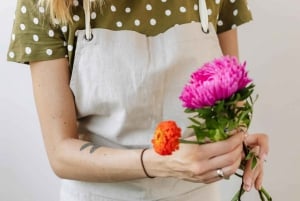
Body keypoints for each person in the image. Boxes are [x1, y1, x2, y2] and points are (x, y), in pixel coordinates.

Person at [7, 0, 269, 200]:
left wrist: (237, 140)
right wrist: (160, 164)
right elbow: (60, 154)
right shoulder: (46, 4)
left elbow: (230, 95)